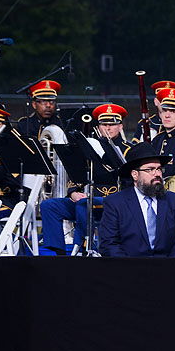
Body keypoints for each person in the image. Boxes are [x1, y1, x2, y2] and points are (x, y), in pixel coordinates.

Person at [39, 104, 131, 255]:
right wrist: (73, 192)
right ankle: (58, 251)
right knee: (49, 205)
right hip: (87, 200)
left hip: (114, 202)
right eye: (104, 124)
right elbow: (77, 174)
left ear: (120, 126)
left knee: (84, 204)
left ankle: (82, 247)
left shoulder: (130, 149)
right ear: (99, 126)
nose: (108, 128)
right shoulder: (89, 146)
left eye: (112, 124)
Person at [99, 141, 175, 257]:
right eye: (150, 169)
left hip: (168, 269)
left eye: (159, 169)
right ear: (135, 175)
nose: (157, 174)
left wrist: (171, 266)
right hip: (129, 269)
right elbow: (109, 244)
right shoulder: (115, 203)